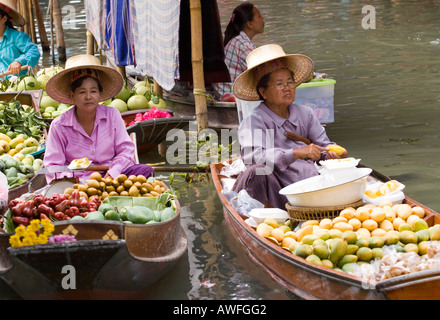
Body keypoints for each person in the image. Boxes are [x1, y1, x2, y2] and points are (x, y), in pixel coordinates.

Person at [231, 44, 348, 209]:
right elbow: (253, 157)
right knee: (256, 171)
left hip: (310, 185)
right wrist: (294, 154)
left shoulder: (305, 113)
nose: (287, 88)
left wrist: (331, 153)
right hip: (276, 191)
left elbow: (323, 145)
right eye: (279, 84)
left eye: (290, 82)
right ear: (263, 92)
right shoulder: (254, 121)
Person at [43, 54, 154, 183]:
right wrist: (75, 185)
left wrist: (113, 172)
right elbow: (53, 167)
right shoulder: (59, 126)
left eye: (93, 91)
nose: (88, 97)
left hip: (111, 177)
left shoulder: (112, 115)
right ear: (72, 95)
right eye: (82, 92)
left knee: (146, 170)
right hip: (77, 182)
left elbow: (126, 151)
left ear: (100, 94)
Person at [215, 2, 264, 98]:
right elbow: (261, 74)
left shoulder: (238, 40)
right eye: (259, 16)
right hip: (231, 95)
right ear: (249, 24)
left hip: (225, 92)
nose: (262, 19)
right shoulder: (242, 44)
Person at [0, 0, 40, 78]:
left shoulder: (17, 37)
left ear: (4, 19)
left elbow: (34, 51)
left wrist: (19, 61)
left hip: (20, 84)